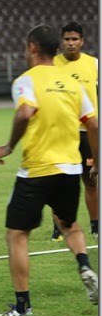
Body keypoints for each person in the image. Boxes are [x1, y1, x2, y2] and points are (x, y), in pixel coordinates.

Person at [0, 24, 98, 316]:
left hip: (37, 171)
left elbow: (25, 112)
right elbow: (93, 124)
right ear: (58, 47)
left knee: (17, 234)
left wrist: (9, 146)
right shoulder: (73, 83)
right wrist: (97, 163)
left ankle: (23, 306)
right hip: (69, 169)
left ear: (32, 47)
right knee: (70, 225)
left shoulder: (25, 81)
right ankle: (85, 266)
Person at [50, 22, 99, 241]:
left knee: (91, 180)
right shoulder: (52, 64)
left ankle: (96, 227)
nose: (71, 43)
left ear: (82, 41)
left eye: (75, 39)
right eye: (67, 39)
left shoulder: (94, 64)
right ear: (62, 42)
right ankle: (59, 228)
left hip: (87, 132)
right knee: (59, 180)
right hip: (62, 132)